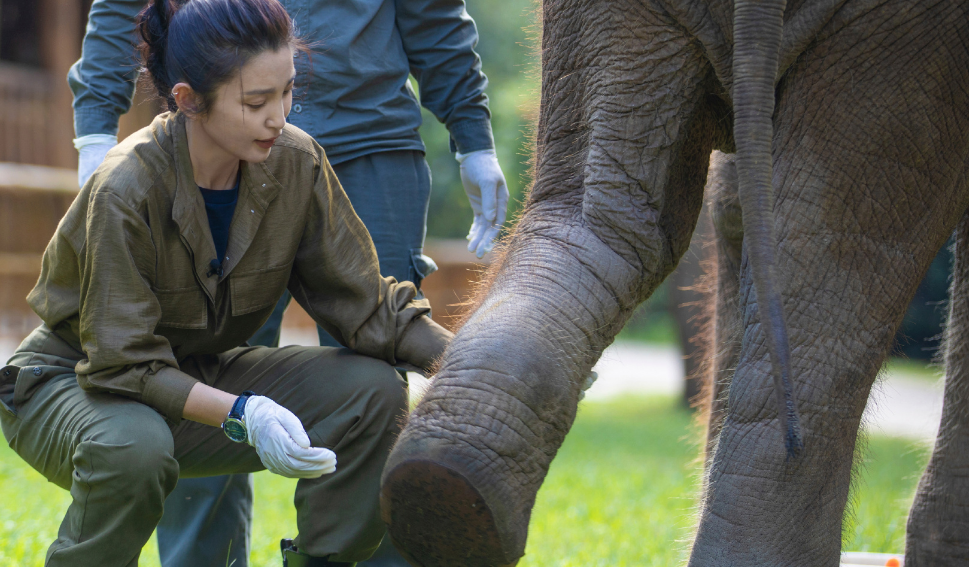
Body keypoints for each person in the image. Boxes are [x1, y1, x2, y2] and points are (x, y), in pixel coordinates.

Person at [0, 0, 453, 565]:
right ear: (189, 99)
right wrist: (242, 413)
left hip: (191, 373)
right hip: (77, 383)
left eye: (288, 92)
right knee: (135, 449)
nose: (278, 118)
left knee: (373, 391)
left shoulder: (296, 163)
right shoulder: (126, 187)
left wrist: (478, 365)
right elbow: (122, 364)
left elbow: (369, 309)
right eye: (256, 102)